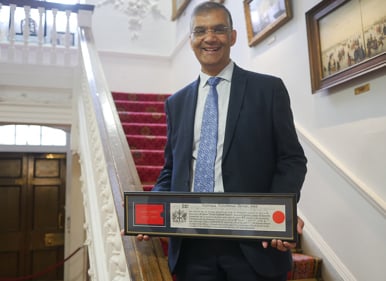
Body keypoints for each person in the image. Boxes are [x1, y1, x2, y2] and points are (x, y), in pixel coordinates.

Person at [137, 2, 307, 281]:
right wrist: (148, 210)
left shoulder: (268, 90)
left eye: (219, 29)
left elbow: (292, 159)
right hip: (192, 249)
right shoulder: (176, 103)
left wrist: (278, 212)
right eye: (200, 31)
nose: (209, 37)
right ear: (191, 39)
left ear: (233, 36)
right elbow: (171, 170)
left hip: (254, 247)